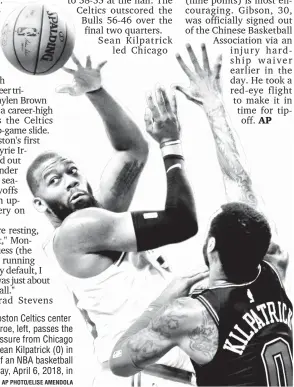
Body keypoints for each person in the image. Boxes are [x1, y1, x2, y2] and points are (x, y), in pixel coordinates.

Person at [110, 44, 293, 386]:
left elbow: (120, 361)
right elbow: (241, 185)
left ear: (210, 245)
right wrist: (214, 106)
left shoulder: (190, 315)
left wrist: (169, 294)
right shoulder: (273, 267)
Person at [27, 54, 200, 386]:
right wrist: (171, 145)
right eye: (55, 180)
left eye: (72, 171)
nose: (70, 180)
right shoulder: (79, 229)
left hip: (154, 372)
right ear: (40, 203)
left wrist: (97, 91)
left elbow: (132, 151)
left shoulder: (96, 222)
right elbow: (182, 223)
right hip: (141, 375)